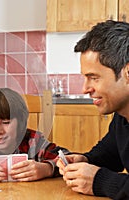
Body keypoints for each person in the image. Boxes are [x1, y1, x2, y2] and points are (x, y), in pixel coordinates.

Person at [56, 20, 129, 199]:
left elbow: (101, 179)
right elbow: (108, 155)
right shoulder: (122, 117)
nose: (85, 88)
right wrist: (84, 160)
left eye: (94, 77)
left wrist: (100, 182)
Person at [0, 88, 68, 182]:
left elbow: (68, 159)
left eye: (6, 122)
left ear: (20, 122)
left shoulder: (33, 141)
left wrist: (47, 169)